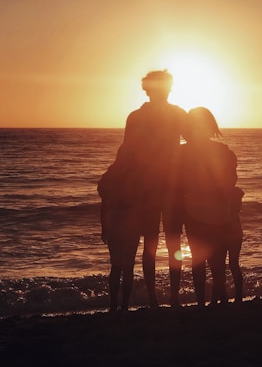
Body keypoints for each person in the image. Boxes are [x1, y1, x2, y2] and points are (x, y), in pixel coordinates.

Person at [122, 70, 188, 308]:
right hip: (162, 188)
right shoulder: (175, 114)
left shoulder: (137, 117)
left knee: (153, 242)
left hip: (152, 188)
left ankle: (159, 297)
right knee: (168, 243)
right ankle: (168, 296)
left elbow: (126, 153)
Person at [179, 107, 244, 307]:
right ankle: (220, 300)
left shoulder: (182, 153)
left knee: (198, 261)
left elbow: (178, 183)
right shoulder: (224, 152)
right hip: (221, 212)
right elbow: (231, 181)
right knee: (217, 263)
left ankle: (201, 304)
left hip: (195, 212)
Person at [97, 145, 142, 312]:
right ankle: (123, 306)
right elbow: (141, 202)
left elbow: (104, 203)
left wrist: (104, 226)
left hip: (114, 221)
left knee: (116, 266)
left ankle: (114, 305)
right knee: (128, 266)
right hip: (131, 221)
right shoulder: (136, 175)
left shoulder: (110, 174)